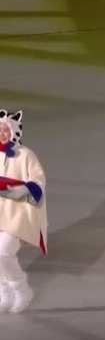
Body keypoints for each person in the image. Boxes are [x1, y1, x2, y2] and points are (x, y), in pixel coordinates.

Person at [0, 109, 47, 313]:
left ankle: (21, 288)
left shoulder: (26, 155)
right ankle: (4, 292)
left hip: (18, 212)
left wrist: (23, 189)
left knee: (3, 252)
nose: (2, 133)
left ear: (14, 131)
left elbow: (39, 180)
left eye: (5, 129)